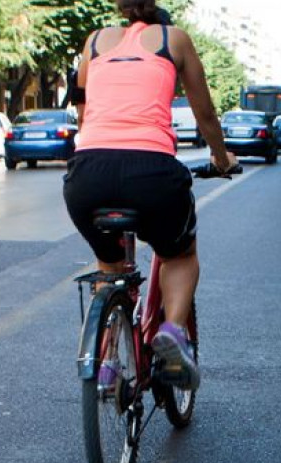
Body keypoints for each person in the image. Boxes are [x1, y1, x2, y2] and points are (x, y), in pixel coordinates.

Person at [62, 0, 235, 391]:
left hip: (87, 175)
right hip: (151, 172)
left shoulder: (94, 42)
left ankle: (105, 363)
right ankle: (172, 332)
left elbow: (85, 109)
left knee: (109, 269)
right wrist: (221, 158)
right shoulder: (174, 40)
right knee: (180, 254)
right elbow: (204, 113)